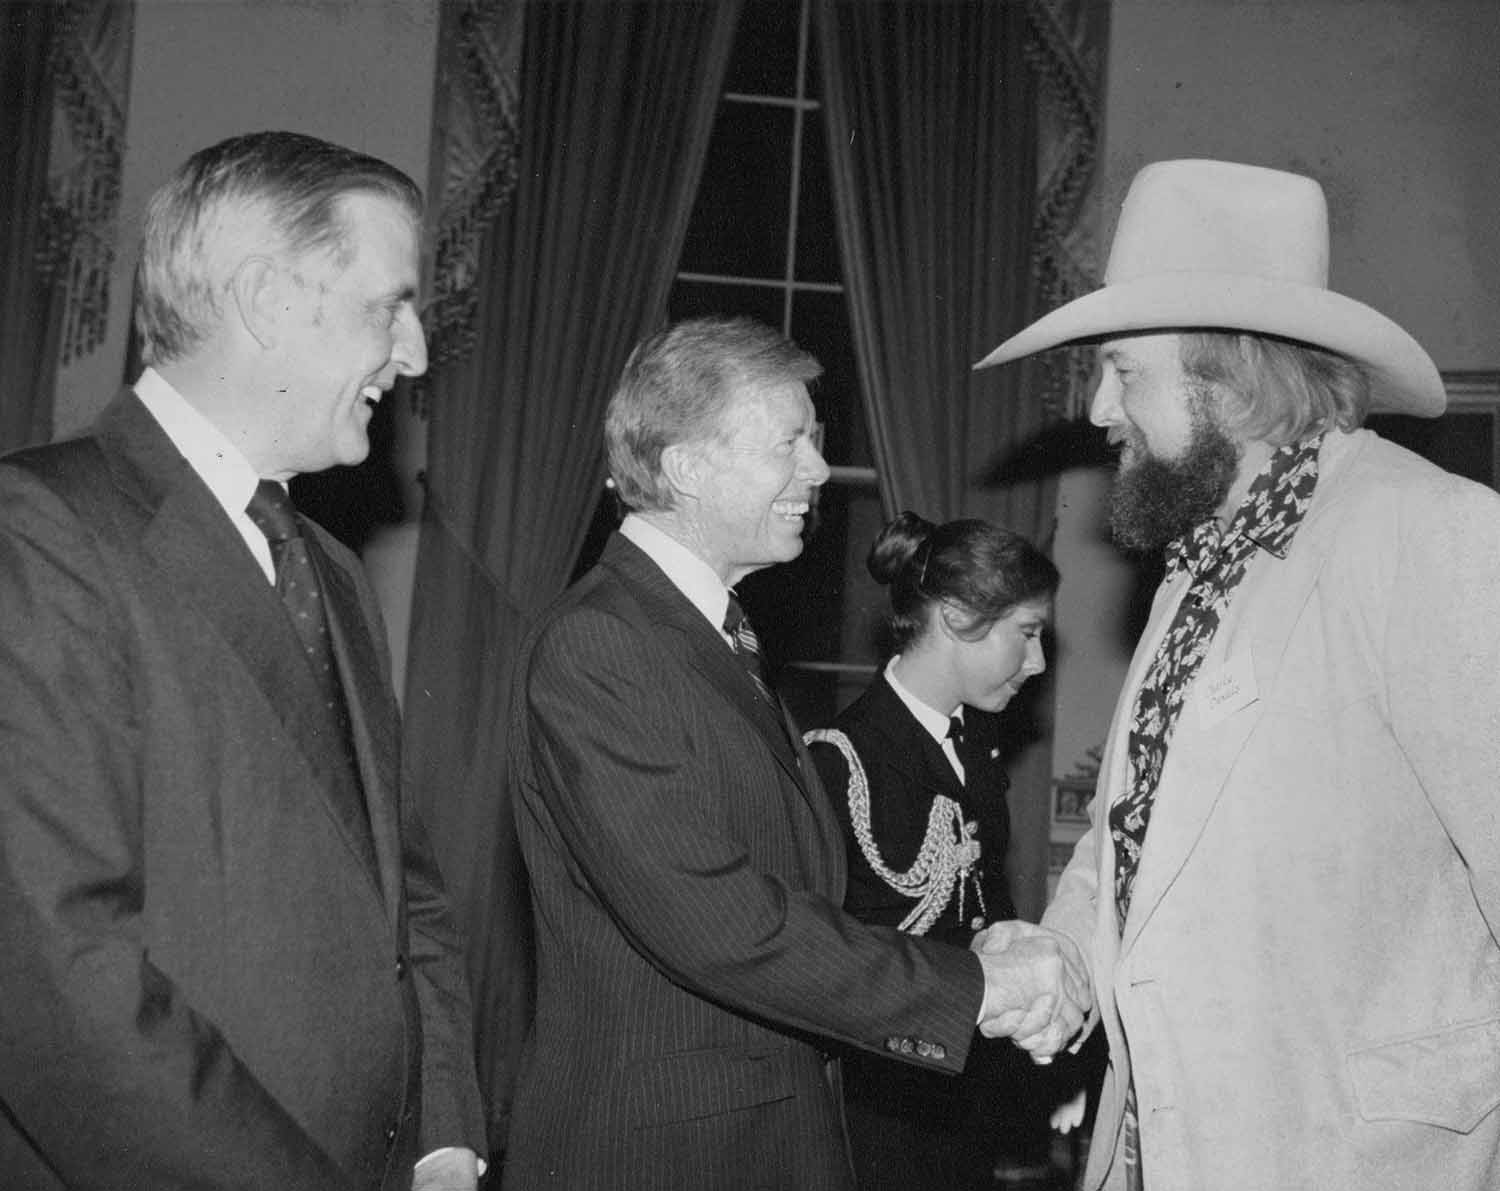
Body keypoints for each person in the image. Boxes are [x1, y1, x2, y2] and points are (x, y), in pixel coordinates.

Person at [973, 157, 1500, 1190]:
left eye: (1124, 369)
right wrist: (1066, 957)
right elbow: (1135, 839)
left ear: (1230, 372)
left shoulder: (1432, 536)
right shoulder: (1193, 568)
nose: (1097, 409)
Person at [0, 131, 485, 1191]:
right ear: (268, 300)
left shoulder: (332, 571)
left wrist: (442, 1124)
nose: (414, 354)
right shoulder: (39, 530)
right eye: (388, 306)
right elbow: (56, 971)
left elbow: (402, 893)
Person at [504, 315, 1089, 1191]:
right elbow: (720, 922)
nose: (818, 471)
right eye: (791, 443)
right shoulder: (602, 646)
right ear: (686, 466)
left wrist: (979, 946)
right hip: (662, 1158)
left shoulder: (710, 639)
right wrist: (977, 988)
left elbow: (809, 900)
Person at [805, 511, 1061, 1190]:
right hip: (875, 1118)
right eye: (1027, 633)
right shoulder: (843, 758)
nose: (1037, 662)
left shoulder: (976, 744)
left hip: (961, 1105)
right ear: (955, 617)